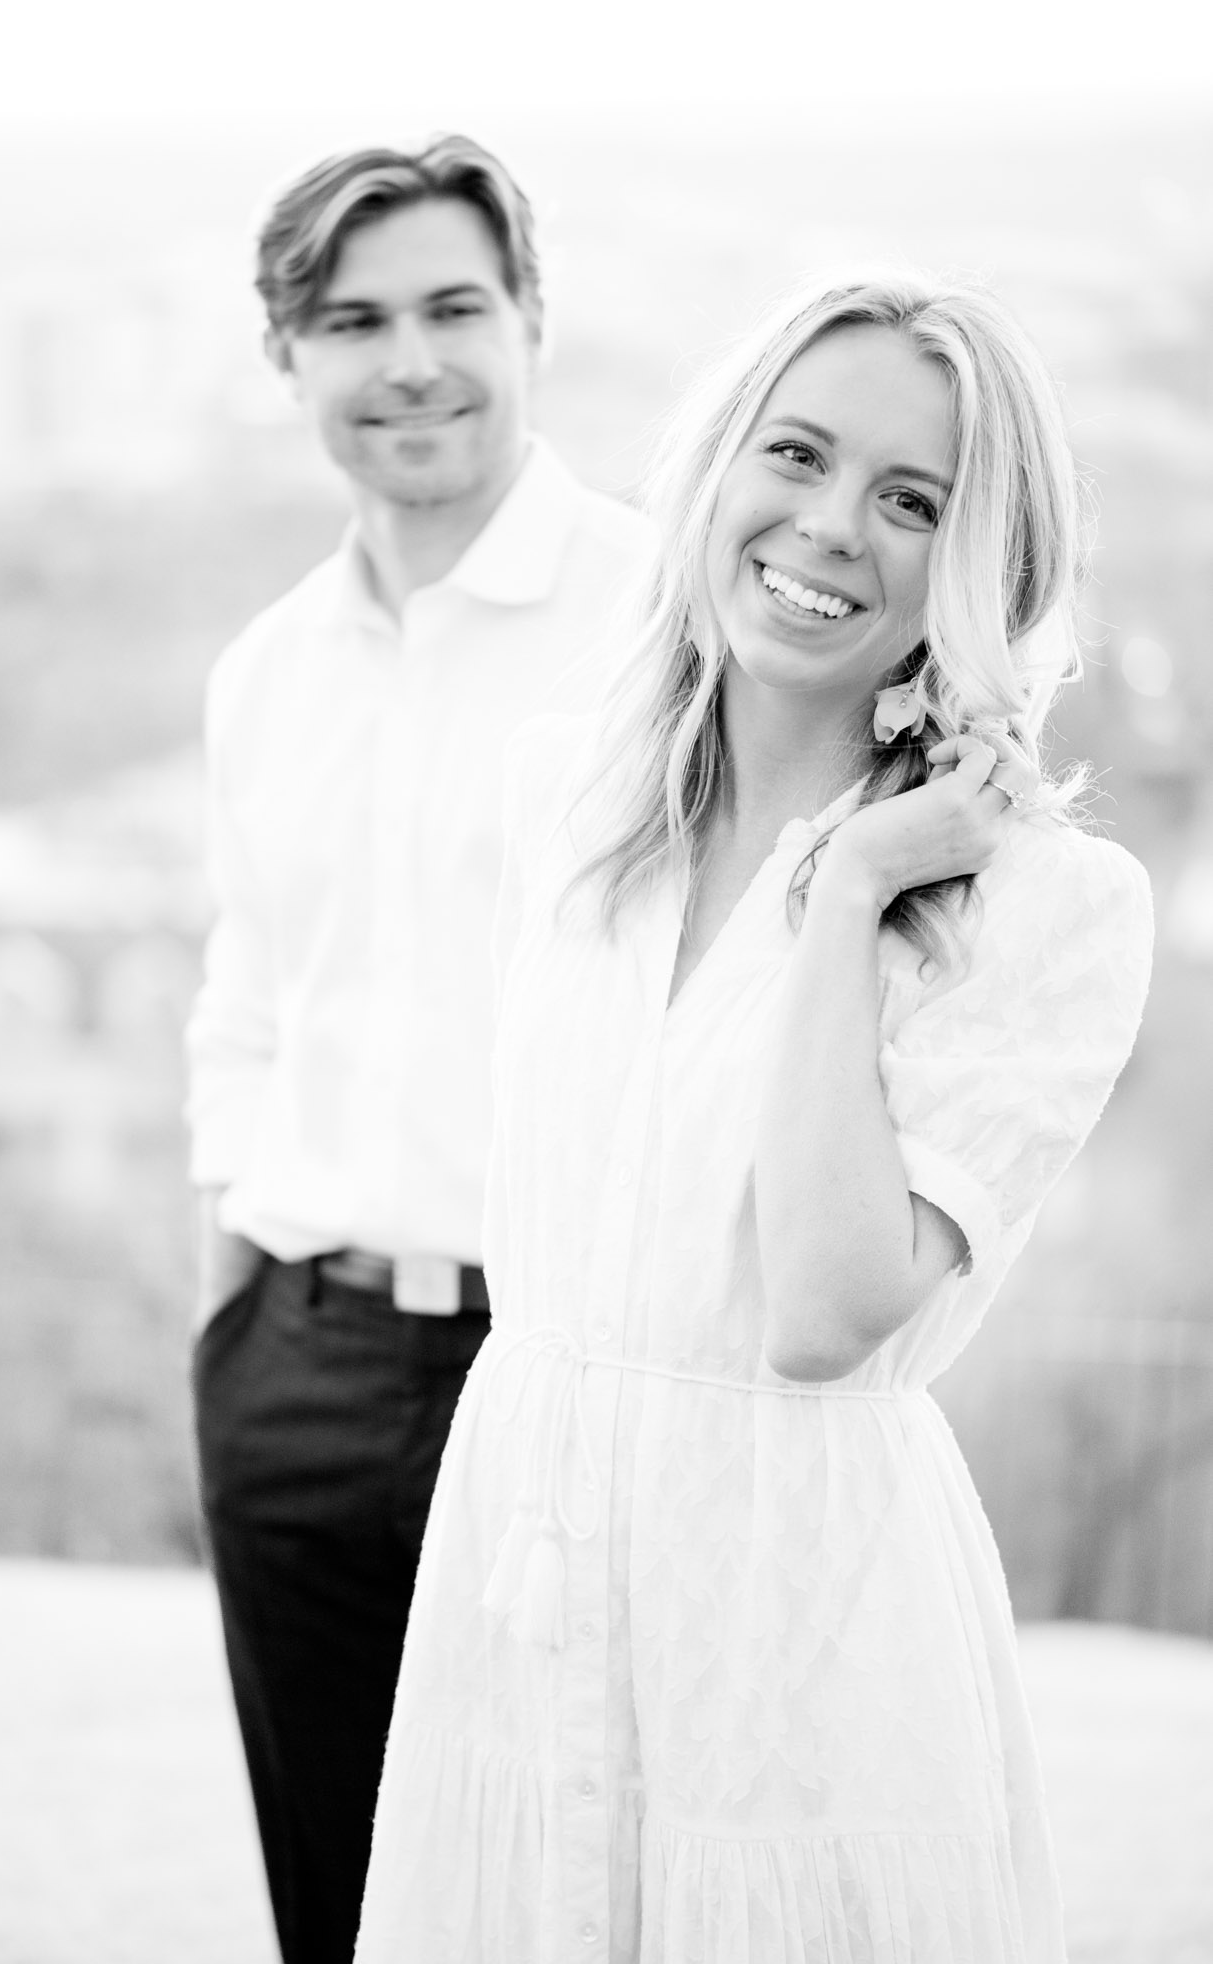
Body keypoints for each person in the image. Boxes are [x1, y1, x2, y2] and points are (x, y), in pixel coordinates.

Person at [354, 270, 1155, 1962]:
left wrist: (853, 886)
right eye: (794, 454)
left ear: (985, 568)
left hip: (799, 1635)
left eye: (914, 502)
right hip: (528, 1574)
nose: (829, 527)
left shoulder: (1049, 910)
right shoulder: (565, 802)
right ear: (715, 471)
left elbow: (819, 1313)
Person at [184, 135, 655, 1964]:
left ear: (532, 319)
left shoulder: (656, 631)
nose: (411, 362)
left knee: (567, 1905)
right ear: (286, 358)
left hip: (562, 1364)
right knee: (339, 1911)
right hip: (292, 1364)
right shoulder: (266, 673)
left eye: (456, 306)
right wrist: (226, 1311)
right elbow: (246, 1001)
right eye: (352, 320)